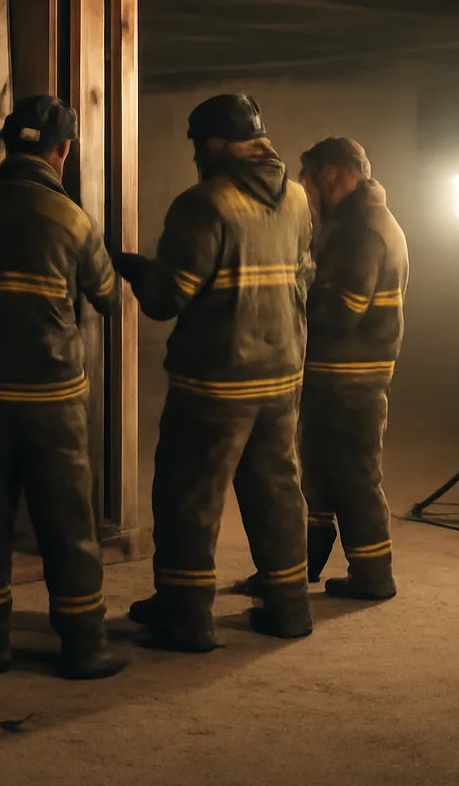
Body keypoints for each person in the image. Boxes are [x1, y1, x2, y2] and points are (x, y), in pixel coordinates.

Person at [117, 93, 314, 651]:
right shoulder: (298, 198)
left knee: (188, 498)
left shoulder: (205, 203)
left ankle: (185, 616)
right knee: (276, 494)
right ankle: (289, 609)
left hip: (216, 384)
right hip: (281, 378)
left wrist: (132, 266)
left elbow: (166, 298)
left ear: (210, 146)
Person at [0, 94, 127, 680]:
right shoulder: (70, 218)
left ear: (7, 144)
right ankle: (83, 646)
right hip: (51, 400)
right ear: (62, 150)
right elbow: (107, 296)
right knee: (68, 524)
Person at [297, 137, 409, 600]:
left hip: (351, 378)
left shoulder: (360, 229)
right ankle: (307, 564)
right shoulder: (358, 221)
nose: (303, 194)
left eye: (306, 182)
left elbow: (342, 311)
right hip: (342, 375)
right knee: (325, 470)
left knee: (355, 476)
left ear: (330, 177)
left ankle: (373, 576)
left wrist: (296, 284)